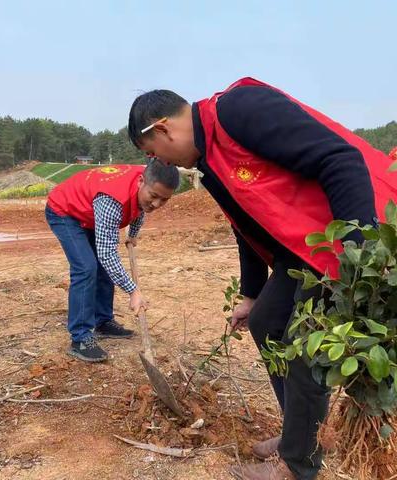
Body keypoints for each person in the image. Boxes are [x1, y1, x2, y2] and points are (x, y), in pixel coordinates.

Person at [127, 78, 396, 480]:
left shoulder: (240, 109)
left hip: (349, 235)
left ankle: (297, 464)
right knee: (267, 321)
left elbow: (342, 160)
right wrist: (251, 294)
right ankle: (297, 433)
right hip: (304, 245)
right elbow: (244, 224)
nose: (167, 163)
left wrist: (359, 260)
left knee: (303, 340)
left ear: (162, 128)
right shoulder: (208, 159)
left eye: (155, 153)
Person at [45, 161, 180, 363]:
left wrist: (132, 234)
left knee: (103, 268)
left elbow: (140, 209)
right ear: (141, 181)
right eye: (153, 196)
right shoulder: (112, 200)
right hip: (65, 211)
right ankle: (80, 338)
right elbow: (107, 253)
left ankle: (103, 320)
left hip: (90, 211)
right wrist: (133, 291)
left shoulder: (146, 183)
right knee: (86, 267)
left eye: (164, 200)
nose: (156, 204)